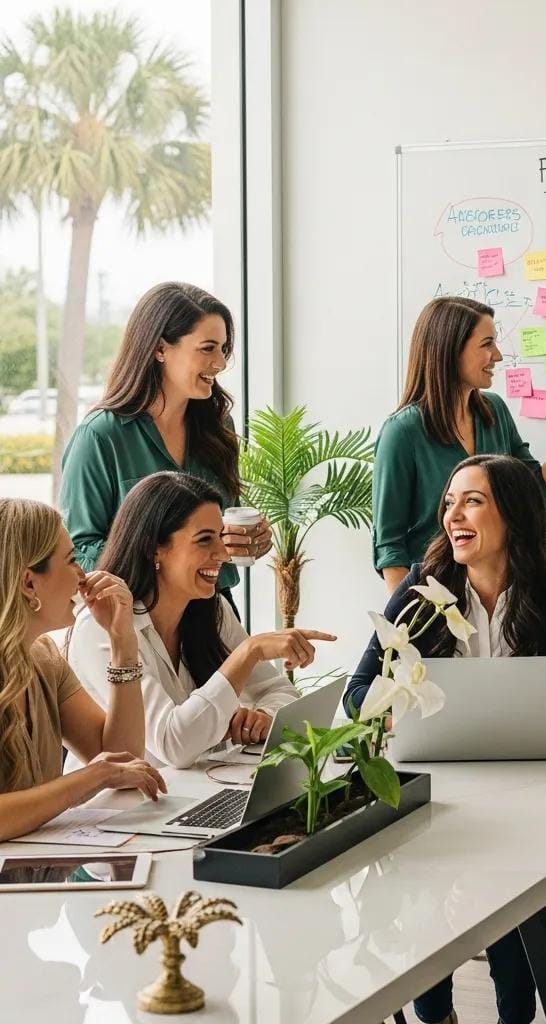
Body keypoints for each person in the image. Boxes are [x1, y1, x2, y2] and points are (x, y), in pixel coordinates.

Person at [347, 454, 546, 1024]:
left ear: (514, 515)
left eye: (473, 501)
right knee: (437, 875)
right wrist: (387, 712)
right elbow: (359, 688)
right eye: (449, 503)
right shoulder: (420, 588)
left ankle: (514, 1014)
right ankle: (438, 1016)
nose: (453, 514)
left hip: (524, 791)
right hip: (437, 790)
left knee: (500, 873)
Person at [68, 473, 336, 769]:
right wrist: (248, 653)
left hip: (193, 794)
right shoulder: (102, 626)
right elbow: (173, 744)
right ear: (154, 547)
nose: (222, 553)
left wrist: (264, 716)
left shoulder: (212, 608)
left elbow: (281, 692)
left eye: (221, 536)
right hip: (118, 809)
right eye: (205, 539)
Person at [59, 282, 273, 614]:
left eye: (223, 349)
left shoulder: (219, 428)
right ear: (161, 349)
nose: (220, 362)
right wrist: (165, 561)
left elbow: (221, 523)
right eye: (207, 348)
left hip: (214, 611)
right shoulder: (100, 437)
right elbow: (80, 549)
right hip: (136, 616)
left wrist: (245, 540)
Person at [372, 296, 546, 592]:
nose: (497, 355)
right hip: (438, 601)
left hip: (501, 592)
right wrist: (409, 624)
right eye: (487, 344)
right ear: (451, 350)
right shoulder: (402, 432)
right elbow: (389, 546)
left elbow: (536, 495)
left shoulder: (494, 412)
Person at [0, 498, 166, 843]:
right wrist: (91, 777)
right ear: (29, 584)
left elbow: (122, 754)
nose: (82, 576)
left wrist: (123, 643)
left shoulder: (44, 660)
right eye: (72, 560)